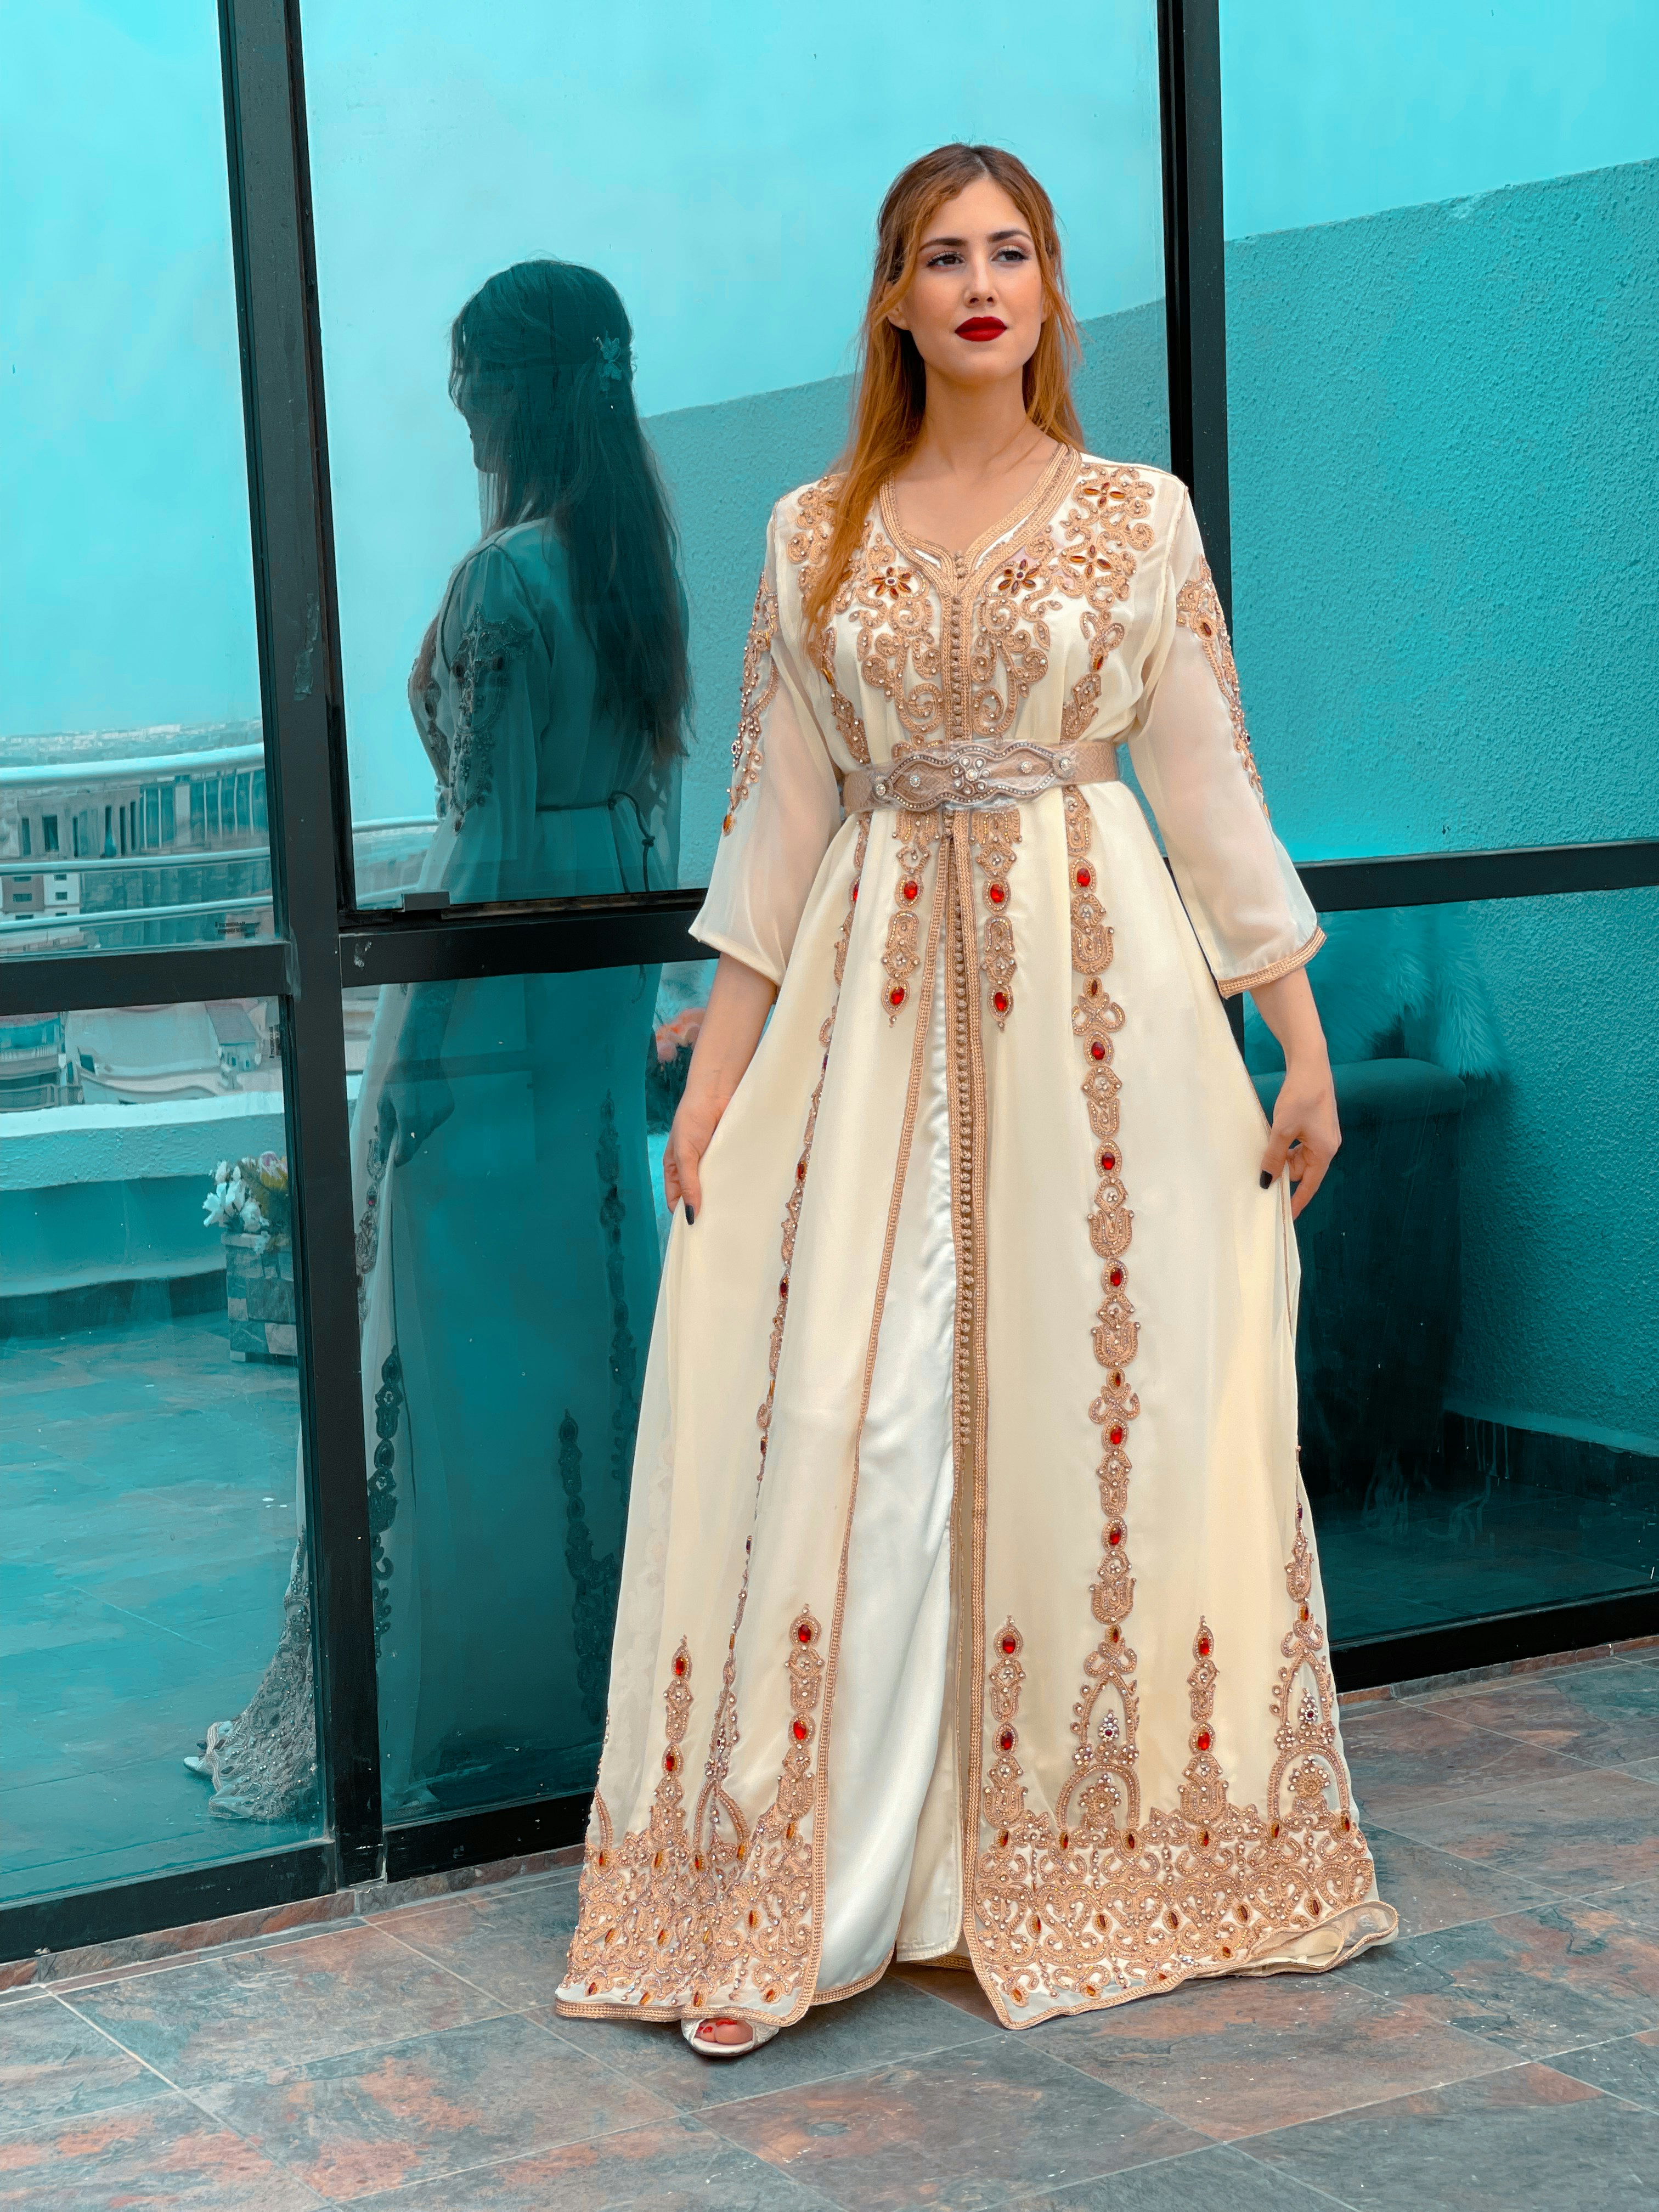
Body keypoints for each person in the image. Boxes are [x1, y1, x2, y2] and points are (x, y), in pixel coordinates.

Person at [555, 144, 1398, 2057]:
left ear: (1049, 290)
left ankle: (1093, 1852)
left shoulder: (1134, 517)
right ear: (895, 298)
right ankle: (830, 1882)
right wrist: (722, 1058)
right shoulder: (811, 532)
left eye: (1012, 250)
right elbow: (779, 821)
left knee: (1105, 1411)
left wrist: (1303, 1033)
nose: (981, 282)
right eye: (945, 256)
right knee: (858, 1423)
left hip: (1103, 1010)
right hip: (869, 1009)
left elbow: (1206, 784)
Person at [188, 260, 686, 1823]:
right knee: (586, 1351)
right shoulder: (634, 574)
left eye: (469, 370)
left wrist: (406, 1076)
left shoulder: (503, 585)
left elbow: (481, 860)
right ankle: (592, 1683)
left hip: (496, 1006)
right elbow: (637, 818)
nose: (454, 400)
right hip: (594, 991)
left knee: (436, 1359)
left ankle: (446, 1699)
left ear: (523, 387)